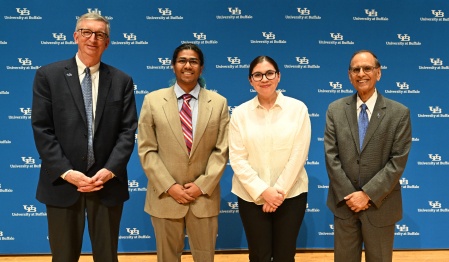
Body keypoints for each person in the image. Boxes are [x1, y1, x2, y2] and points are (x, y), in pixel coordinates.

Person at [31, 13, 137, 262]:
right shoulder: (49, 76)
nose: (93, 39)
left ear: (107, 42)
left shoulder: (122, 81)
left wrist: (110, 170)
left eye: (100, 34)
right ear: (75, 36)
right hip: (62, 183)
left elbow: (127, 131)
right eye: (87, 32)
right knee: (64, 257)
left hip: (106, 183)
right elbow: (42, 128)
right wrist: (68, 172)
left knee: (107, 257)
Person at [137, 43, 229, 262]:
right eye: (182, 60)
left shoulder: (218, 103)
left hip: (203, 198)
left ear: (201, 67)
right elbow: (147, 149)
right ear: (173, 66)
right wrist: (170, 186)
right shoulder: (152, 101)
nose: (188, 65)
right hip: (166, 196)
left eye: (193, 61)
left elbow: (221, 150)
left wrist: (201, 186)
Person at [324, 50, 412, 262]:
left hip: (380, 206)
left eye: (367, 68)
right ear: (349, 75)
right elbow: (331, 156)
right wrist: (351, 196)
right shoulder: (335, 110)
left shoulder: (399, 113)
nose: (361, 73)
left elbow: (397, 161)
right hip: (344, 205)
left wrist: (367, 195)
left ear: (378, 73)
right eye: (356, 69)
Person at [229, 55, 311, 262]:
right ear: (250, 80)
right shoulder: (239, 114)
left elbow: (299, 154)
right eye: (257, 75)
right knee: (259, 256)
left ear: (278, 76)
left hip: (291, 195)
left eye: (269, 73)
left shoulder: (298, 109)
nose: (264, 79)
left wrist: (277, 194)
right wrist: (264, 191)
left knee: (285, 255)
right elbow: (237, 159)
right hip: (251, 197)